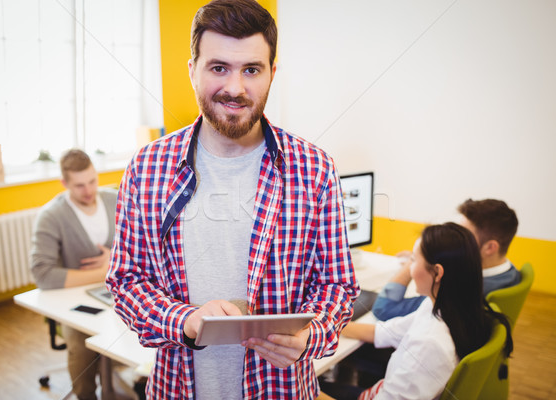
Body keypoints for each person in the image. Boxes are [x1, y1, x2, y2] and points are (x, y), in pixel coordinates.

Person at [106, 0, 359, 398]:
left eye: (252, 70)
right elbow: (125, 282)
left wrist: (311, 336)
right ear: (192, 70)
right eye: (218, 67)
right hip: (178, 388)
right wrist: (185, 320)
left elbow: (337, 285)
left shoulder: (314, 168)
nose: (235, 88)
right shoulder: (147, 167)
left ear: (273, 74)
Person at [320, 223, 514, 400]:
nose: (409, 267)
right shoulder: (447, 307)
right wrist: (324, 326)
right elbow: (385, 331)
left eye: (412, 260)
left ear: (437, 273)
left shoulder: (430, 343)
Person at [30, 149, 117, 400]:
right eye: (79, 186)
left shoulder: (114, 199)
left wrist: (113, 257)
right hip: (73, 303)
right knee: (81, 345)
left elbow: (142, 244)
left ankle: (130, 384)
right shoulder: (51, 216)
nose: (89, 191)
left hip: (116, 292)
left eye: (92, 181)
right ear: (64, 183)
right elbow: (43, 275)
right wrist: (105, 271)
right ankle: (86, 394)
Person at [372, 198, 521, 321]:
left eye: (464, 235)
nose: (454, 238)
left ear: (490, 248)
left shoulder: (460, 291)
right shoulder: (511, 273)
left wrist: (415, 258)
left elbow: (384, 309)